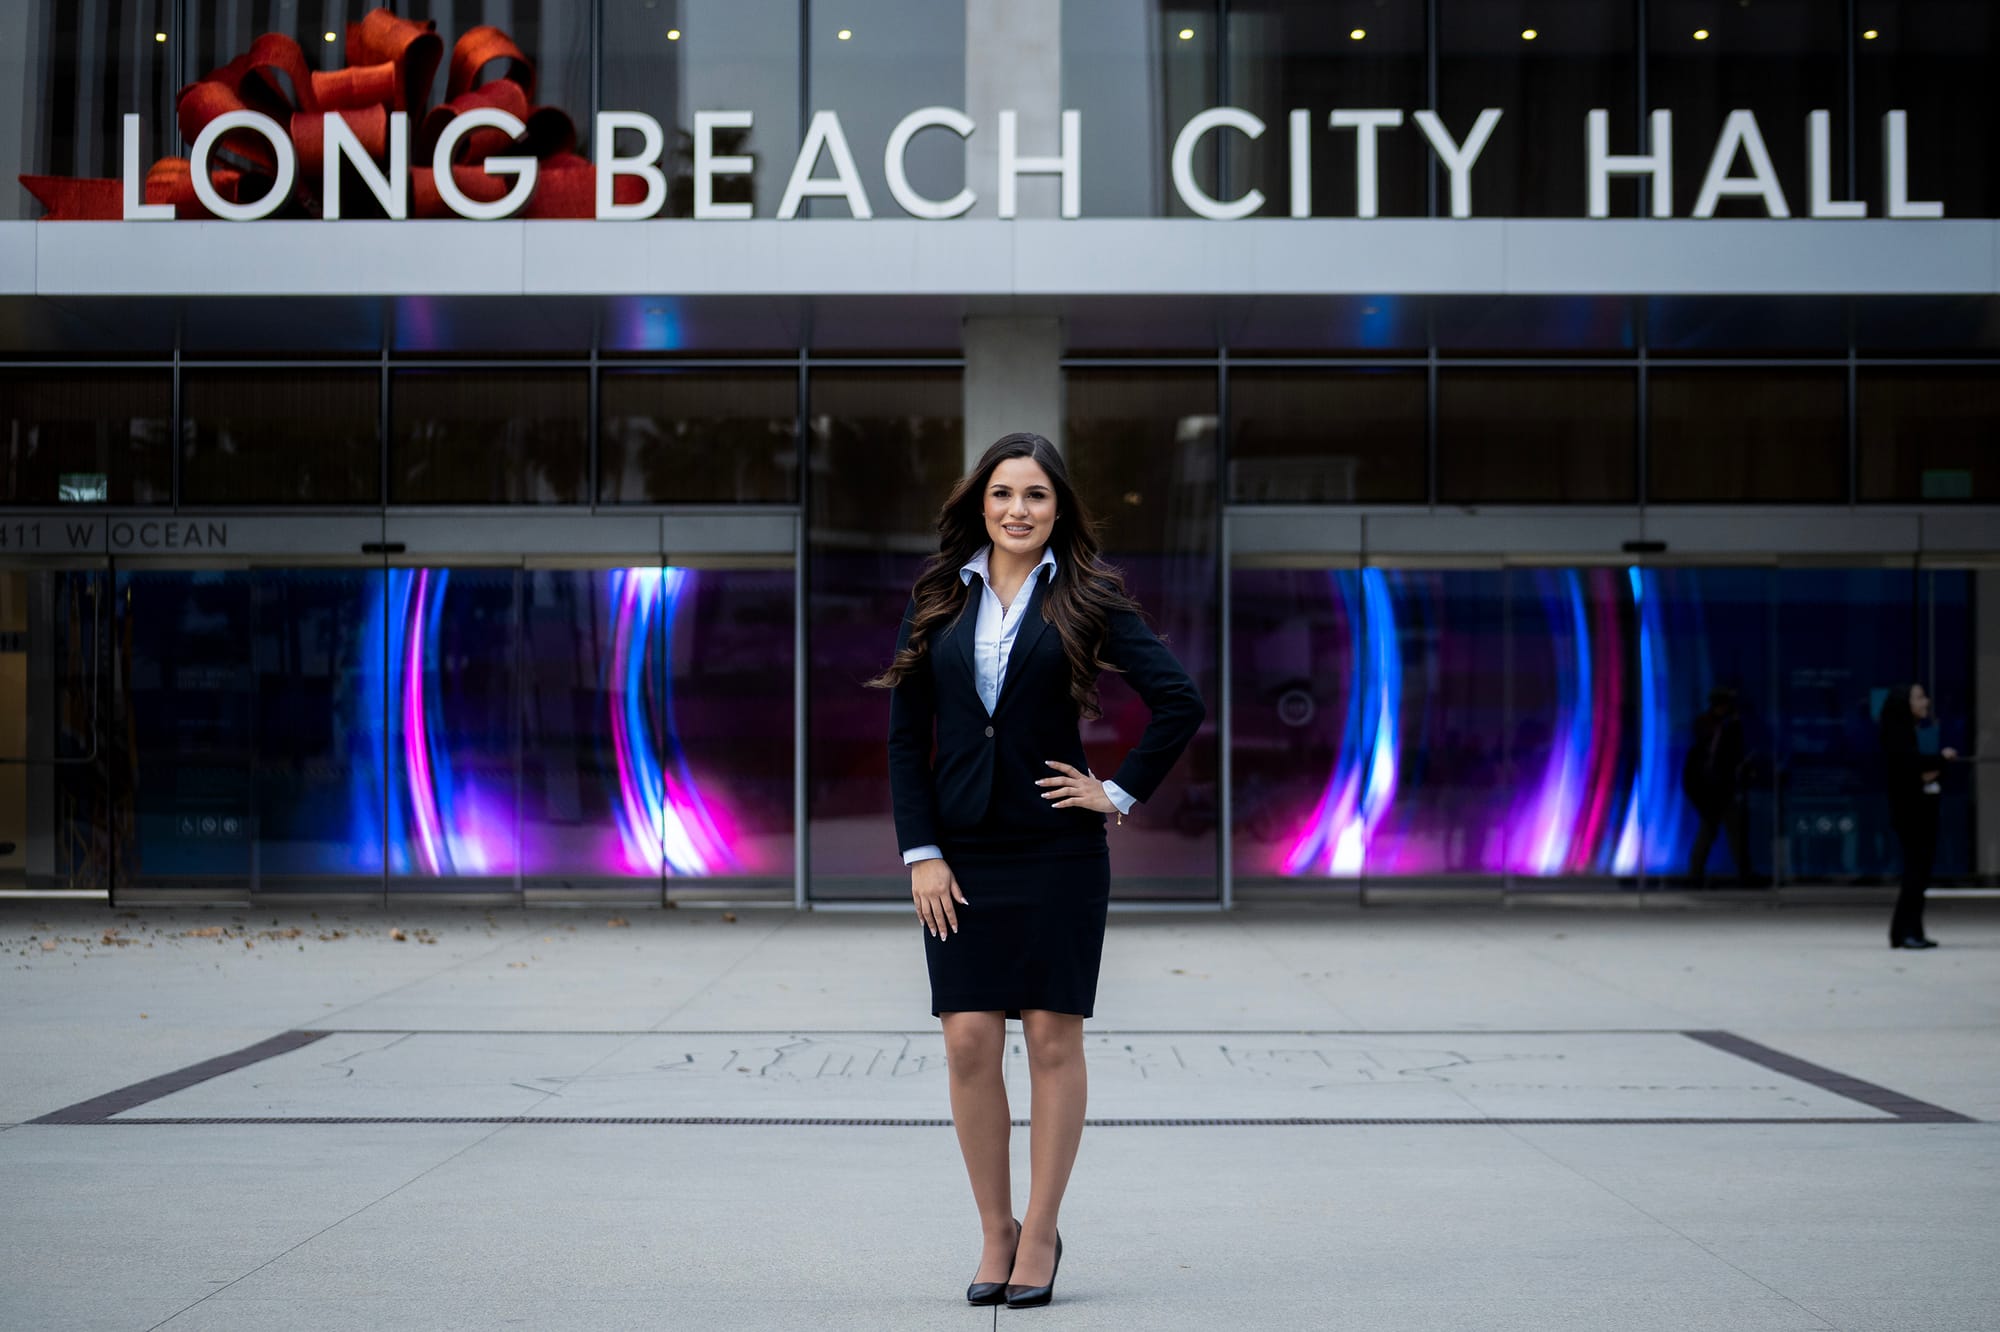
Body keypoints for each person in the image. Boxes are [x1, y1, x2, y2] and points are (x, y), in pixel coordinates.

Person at [867, 431, 1204, 1309]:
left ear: (1059, 511)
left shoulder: (1085, 597)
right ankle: (995, 1230)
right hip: (960, 853)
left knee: (1053, 1041)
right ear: (980, 503)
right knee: (969, 1039)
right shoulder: (938, 595)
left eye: (1037, 497)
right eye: (1003, 494)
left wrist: (1118, 792)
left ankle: (1043, 1231)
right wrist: (922, 852)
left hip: (1057, 849)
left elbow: (1179, 701)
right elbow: (908, 739)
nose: (1018, 510)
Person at [1878, 682, 1957, 948]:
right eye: (1920, 697)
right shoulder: (1897, 733)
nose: (1926, 702)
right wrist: (1942, 760)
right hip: (1911, 811)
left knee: (1918, 872)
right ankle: (1907, 931)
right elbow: (1915, 770)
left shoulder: (1904, 732)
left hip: (1914, 809)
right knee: (1916, 872)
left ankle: (1907, 930)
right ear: (1905, 703)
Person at [1681, 688, 1751, 886]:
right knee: (1713, 832)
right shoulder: (1710, 726)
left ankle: (1741, 874)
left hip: (1721, 789)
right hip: (1711, 790)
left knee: (1730, 833)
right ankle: (1696, 875)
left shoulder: (1724, 727)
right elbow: (1724, 753)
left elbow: (1735, 752)